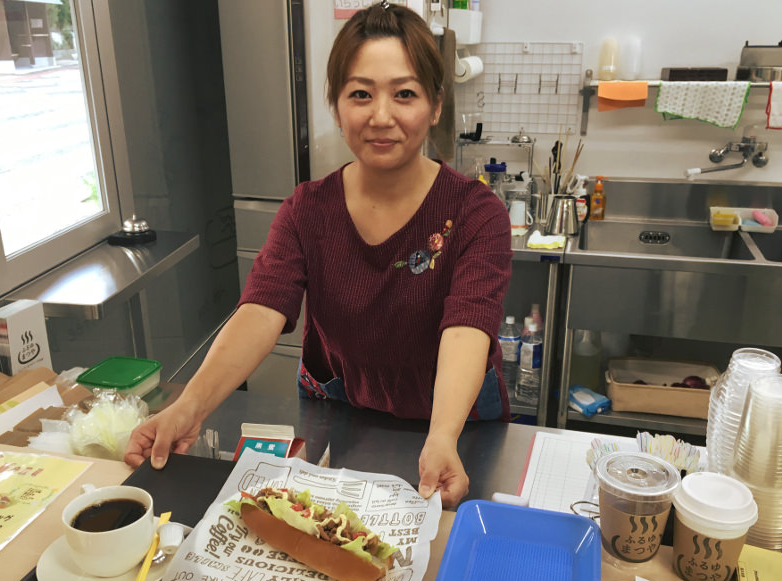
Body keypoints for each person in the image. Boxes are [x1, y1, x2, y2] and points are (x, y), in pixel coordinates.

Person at [124, 1, 511, 507]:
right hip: (341, 412)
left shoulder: (475, 211)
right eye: (360, 94)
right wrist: (188, 407)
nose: (381, 116)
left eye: (405, 94)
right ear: (336, 105)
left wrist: (441, 436)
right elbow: (260, 309)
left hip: (456, 427)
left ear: (435, 105)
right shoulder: (308, 209)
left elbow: (466, 328)